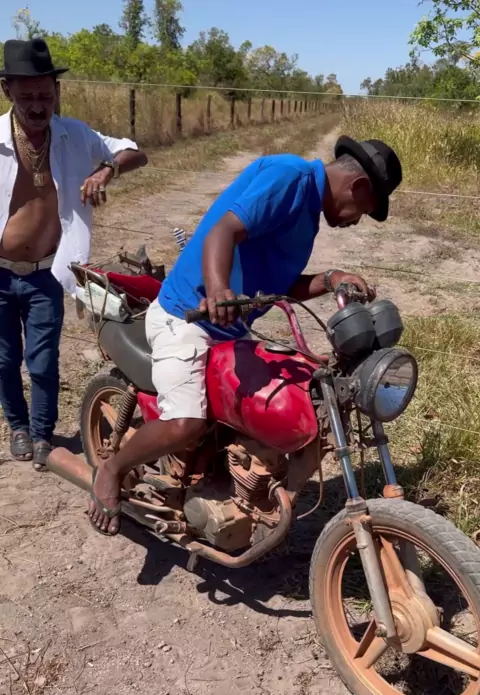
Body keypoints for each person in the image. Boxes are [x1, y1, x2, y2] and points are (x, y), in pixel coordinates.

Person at [88, 134, 402, 535]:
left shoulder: (307, 212)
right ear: (357, 187)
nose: (356, 220)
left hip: (229, 326)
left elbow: (279, 285)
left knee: (286, 399)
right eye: (364, 211)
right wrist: (218, 289)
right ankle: (112, 469)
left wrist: (330, 279)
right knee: (185, 423)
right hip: (187, 317)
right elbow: (222, 231)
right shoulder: (290, 177)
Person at [0, 38, 147, 470]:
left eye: (45, 96)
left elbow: (135, 152)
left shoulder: (76, 136)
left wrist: (107, 169)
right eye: (27, 96)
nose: (37, 106)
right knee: (4, 359)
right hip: (0, 274)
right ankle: (18, 427)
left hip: (47, 272)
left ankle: (42, 434)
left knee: (43, 360)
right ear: (7, 90)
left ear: (57, 91)